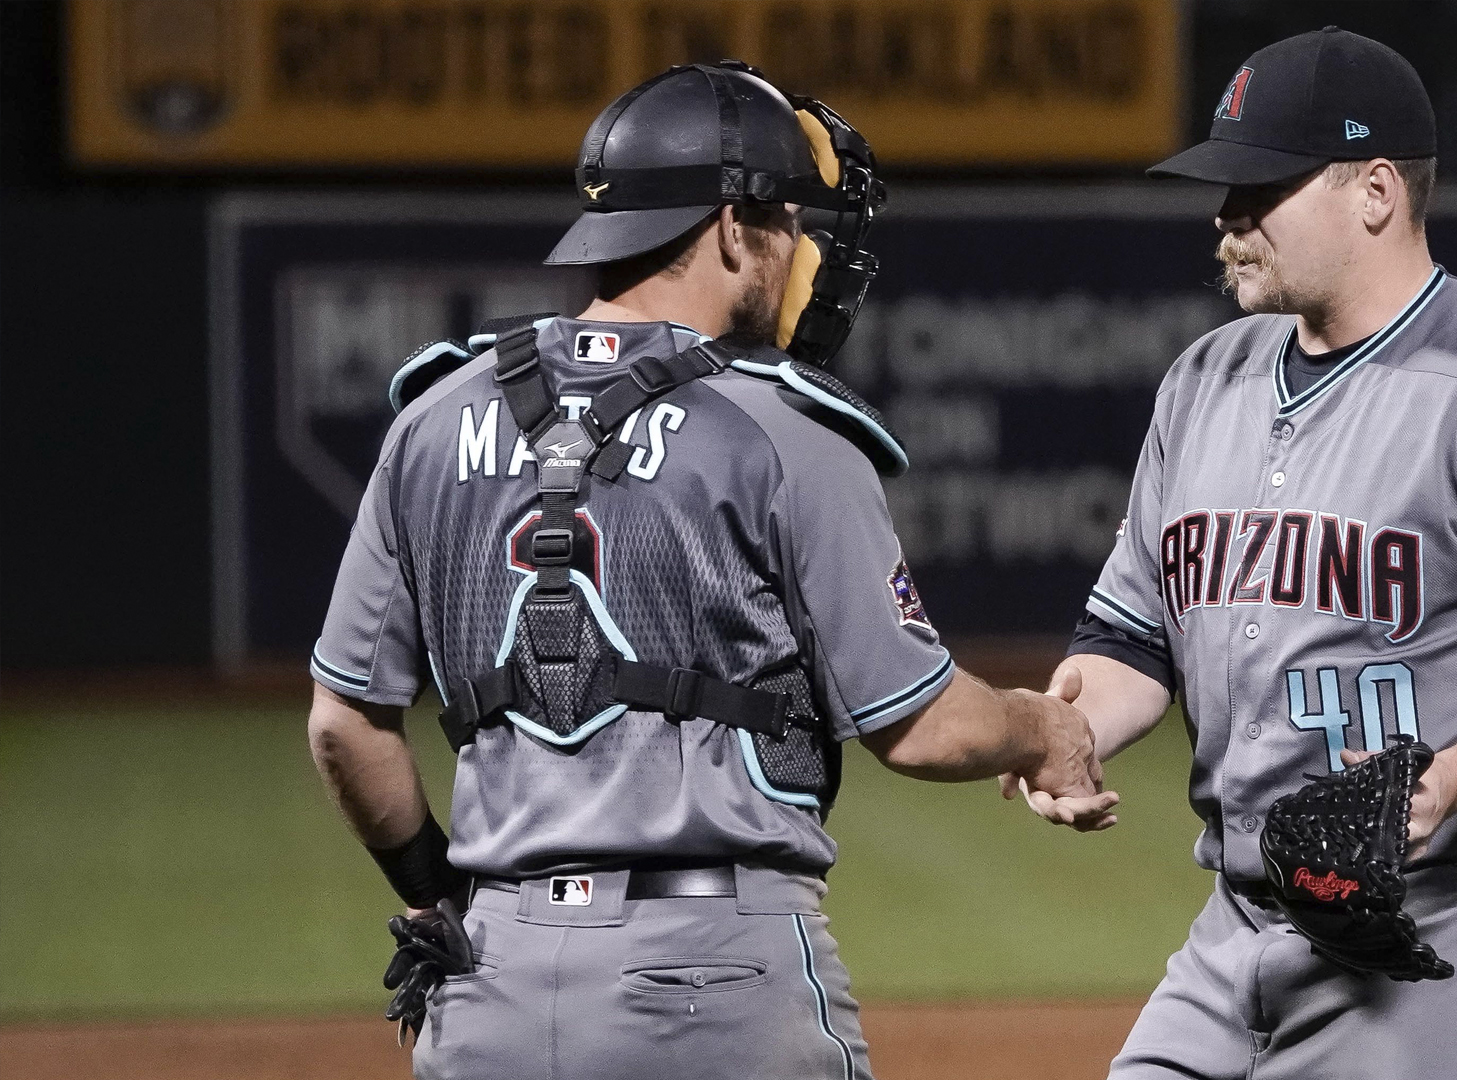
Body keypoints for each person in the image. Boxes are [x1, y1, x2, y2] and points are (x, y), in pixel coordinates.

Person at [305, 61, 1099, 1080]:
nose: (805, 248)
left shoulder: (433, 418)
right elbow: (924, 726)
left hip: (487, 984)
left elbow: (344, 724)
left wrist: (437, 897)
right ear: (733, 226)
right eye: (791, 222)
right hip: (712, 978)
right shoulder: (781, 430)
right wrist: (1045, 729)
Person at [1009, 27, 1457, 1080]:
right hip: (1235, 932)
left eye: (1258, 187)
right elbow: (1132, 636)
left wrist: (1452, 776)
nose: (1226, 217)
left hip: (1440, 941)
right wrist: (1069, 726)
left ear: (1375, 191)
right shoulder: (1204, 380)